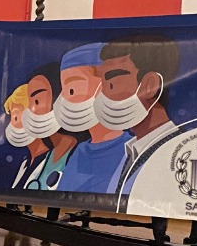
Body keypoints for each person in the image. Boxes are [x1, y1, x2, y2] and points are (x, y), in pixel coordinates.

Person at [97, 34, 180, 193]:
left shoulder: (177, 154)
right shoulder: (132, 152)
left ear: (150, 85)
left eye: (111, 82)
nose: (102, 94)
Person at [55, 44, 130, 193]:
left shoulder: (131, 150)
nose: (64, 99)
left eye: (71, 90)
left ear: (106, 85)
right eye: (63, 90)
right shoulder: (80, 152)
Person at [20, 62, 78, 192]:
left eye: (37, 101)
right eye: (29, 103)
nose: (31, 110)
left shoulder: (79, 153)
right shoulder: (47, 157)